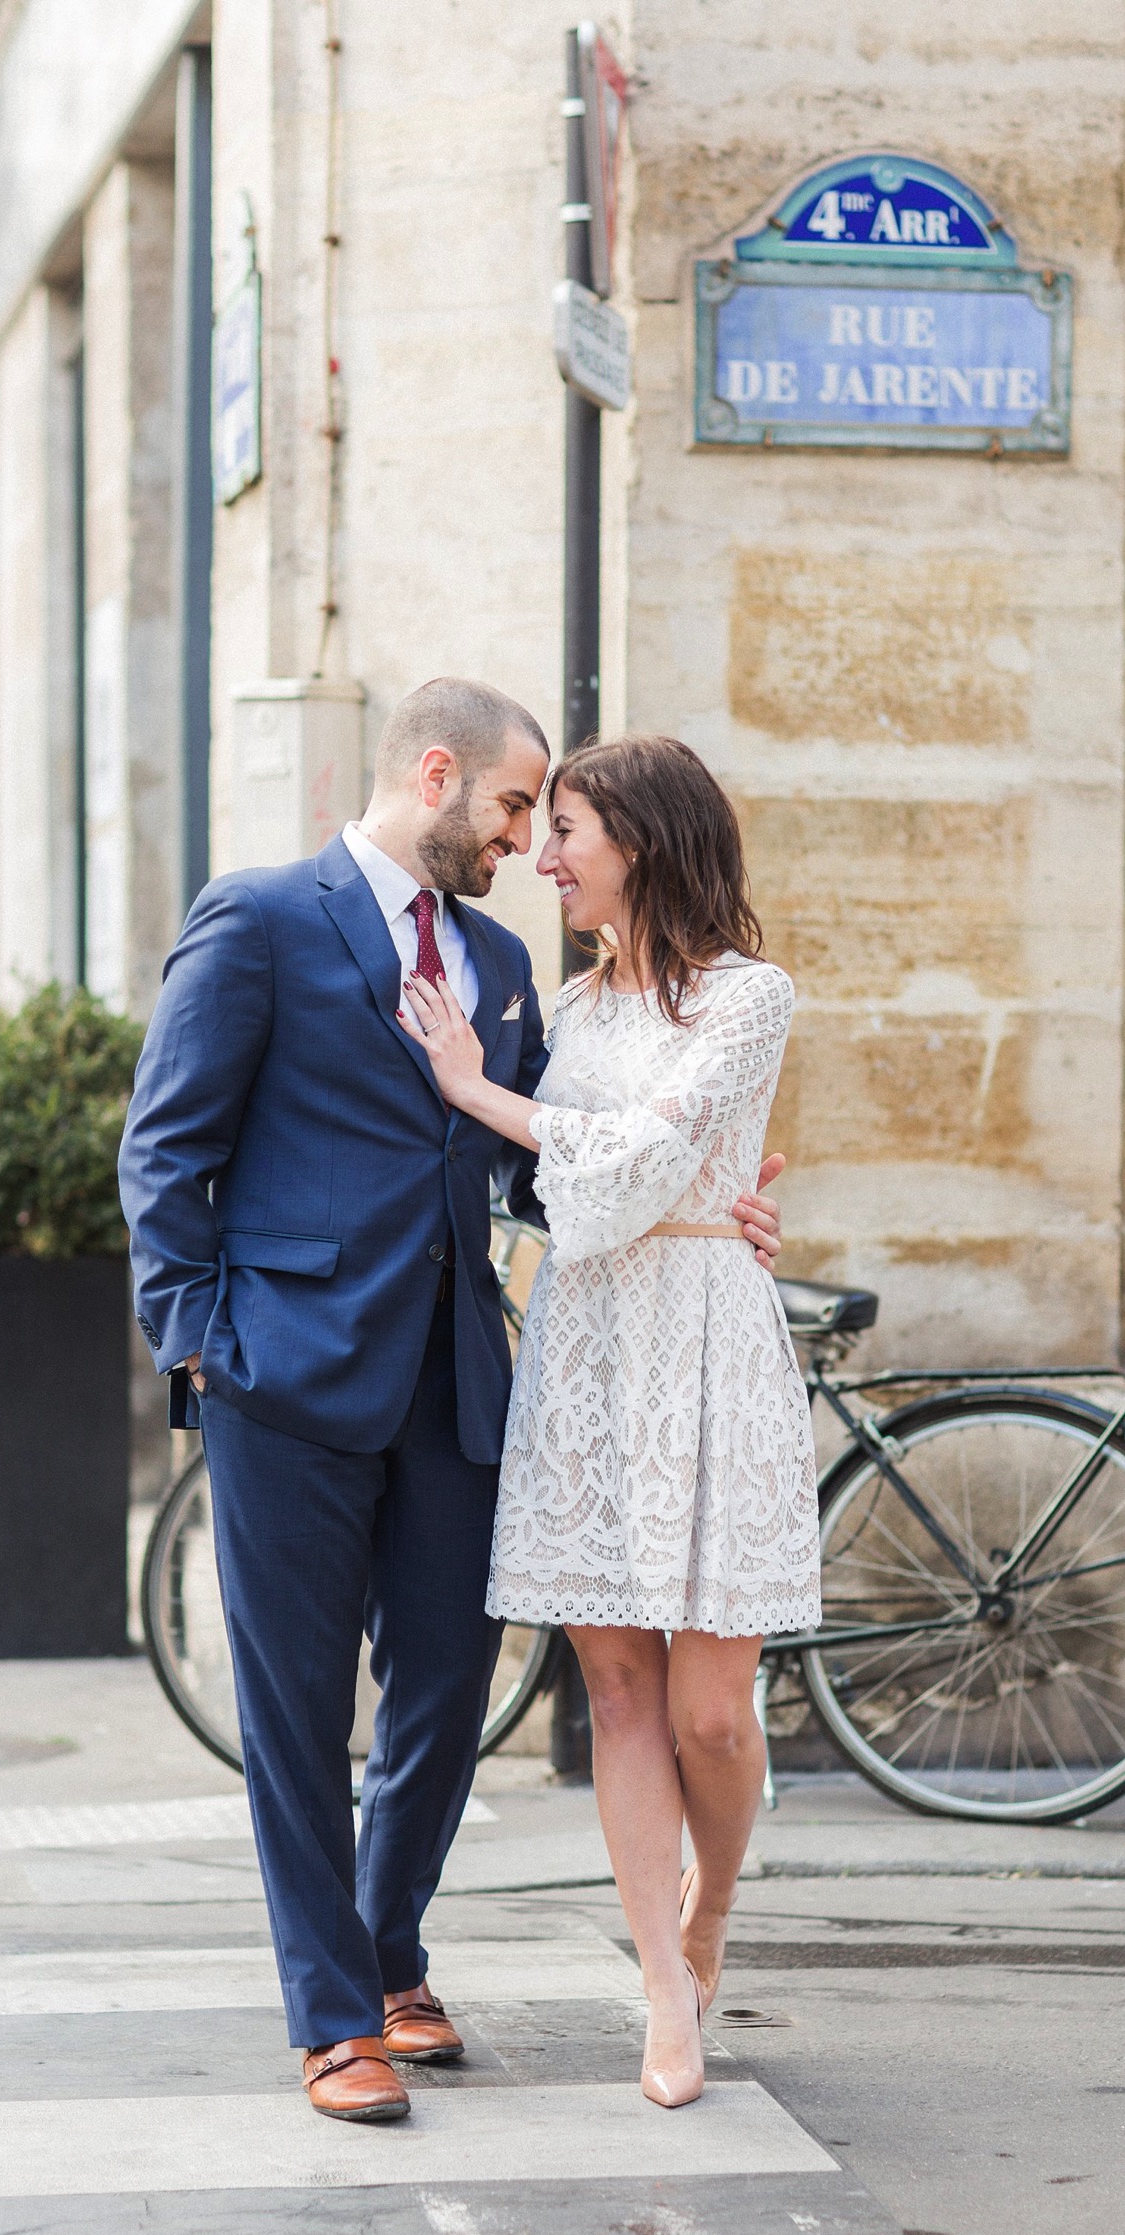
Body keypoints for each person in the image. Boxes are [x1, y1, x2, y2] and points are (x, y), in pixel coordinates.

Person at [118, 681, 785, 2125]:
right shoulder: (262, 918)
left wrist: (715, 1212)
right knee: (296, 1706)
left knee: (445, 1677)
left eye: (545, 823)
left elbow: (560, 1161)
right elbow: (164, 1149)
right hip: (282, 1372)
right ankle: (332, 2016)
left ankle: (393, 1952)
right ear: (436, 774)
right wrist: (197, 1344)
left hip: (464, 1380)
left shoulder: (494, 963)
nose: (520, 846)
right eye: (506, 810)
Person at [400, 731, 819, 2112]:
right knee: (619, 1692)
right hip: (586, 1352)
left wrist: (479, 1091)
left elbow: (641, 1161)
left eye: (567, 828)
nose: (545, 856)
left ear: (639, 838)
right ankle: (661, 1988)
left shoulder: (750, 998)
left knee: (711, 1712)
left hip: (706, 1348)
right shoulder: (563, 1014)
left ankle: (711, 1912)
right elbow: (532, 1195)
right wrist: (503, 1123)